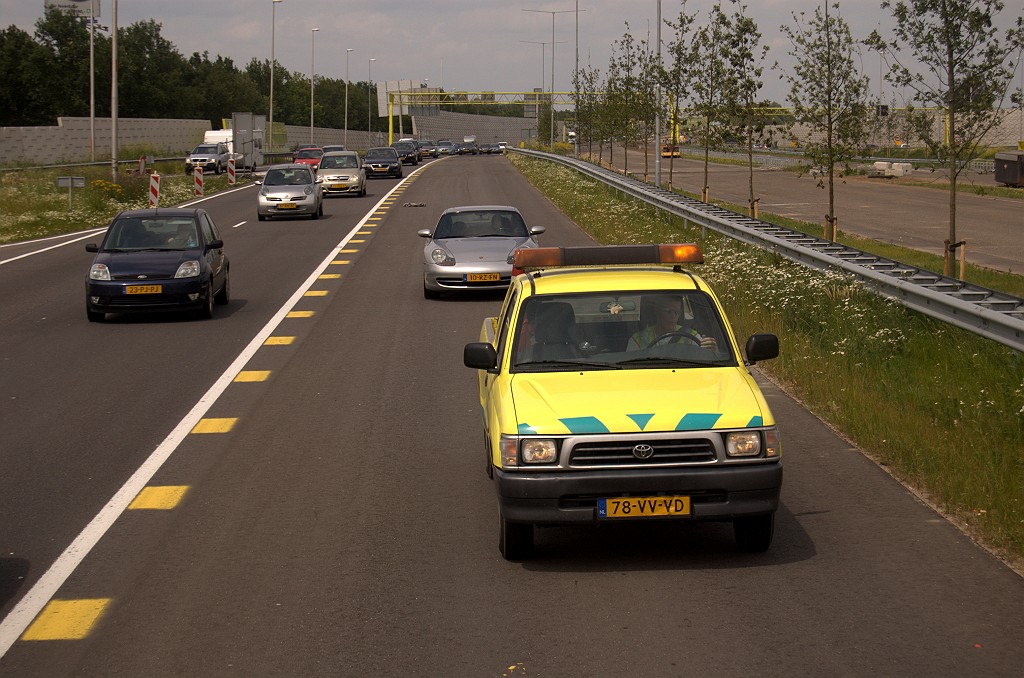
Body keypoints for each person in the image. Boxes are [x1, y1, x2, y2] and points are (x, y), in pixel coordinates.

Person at [626, 295, 717, 351]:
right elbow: (628, 367)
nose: (673, 316)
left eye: (676, 312)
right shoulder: (638, 340)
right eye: (668, 311)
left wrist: (712, 350)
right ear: (657, 312)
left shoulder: (691, 336)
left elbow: (707, 360)